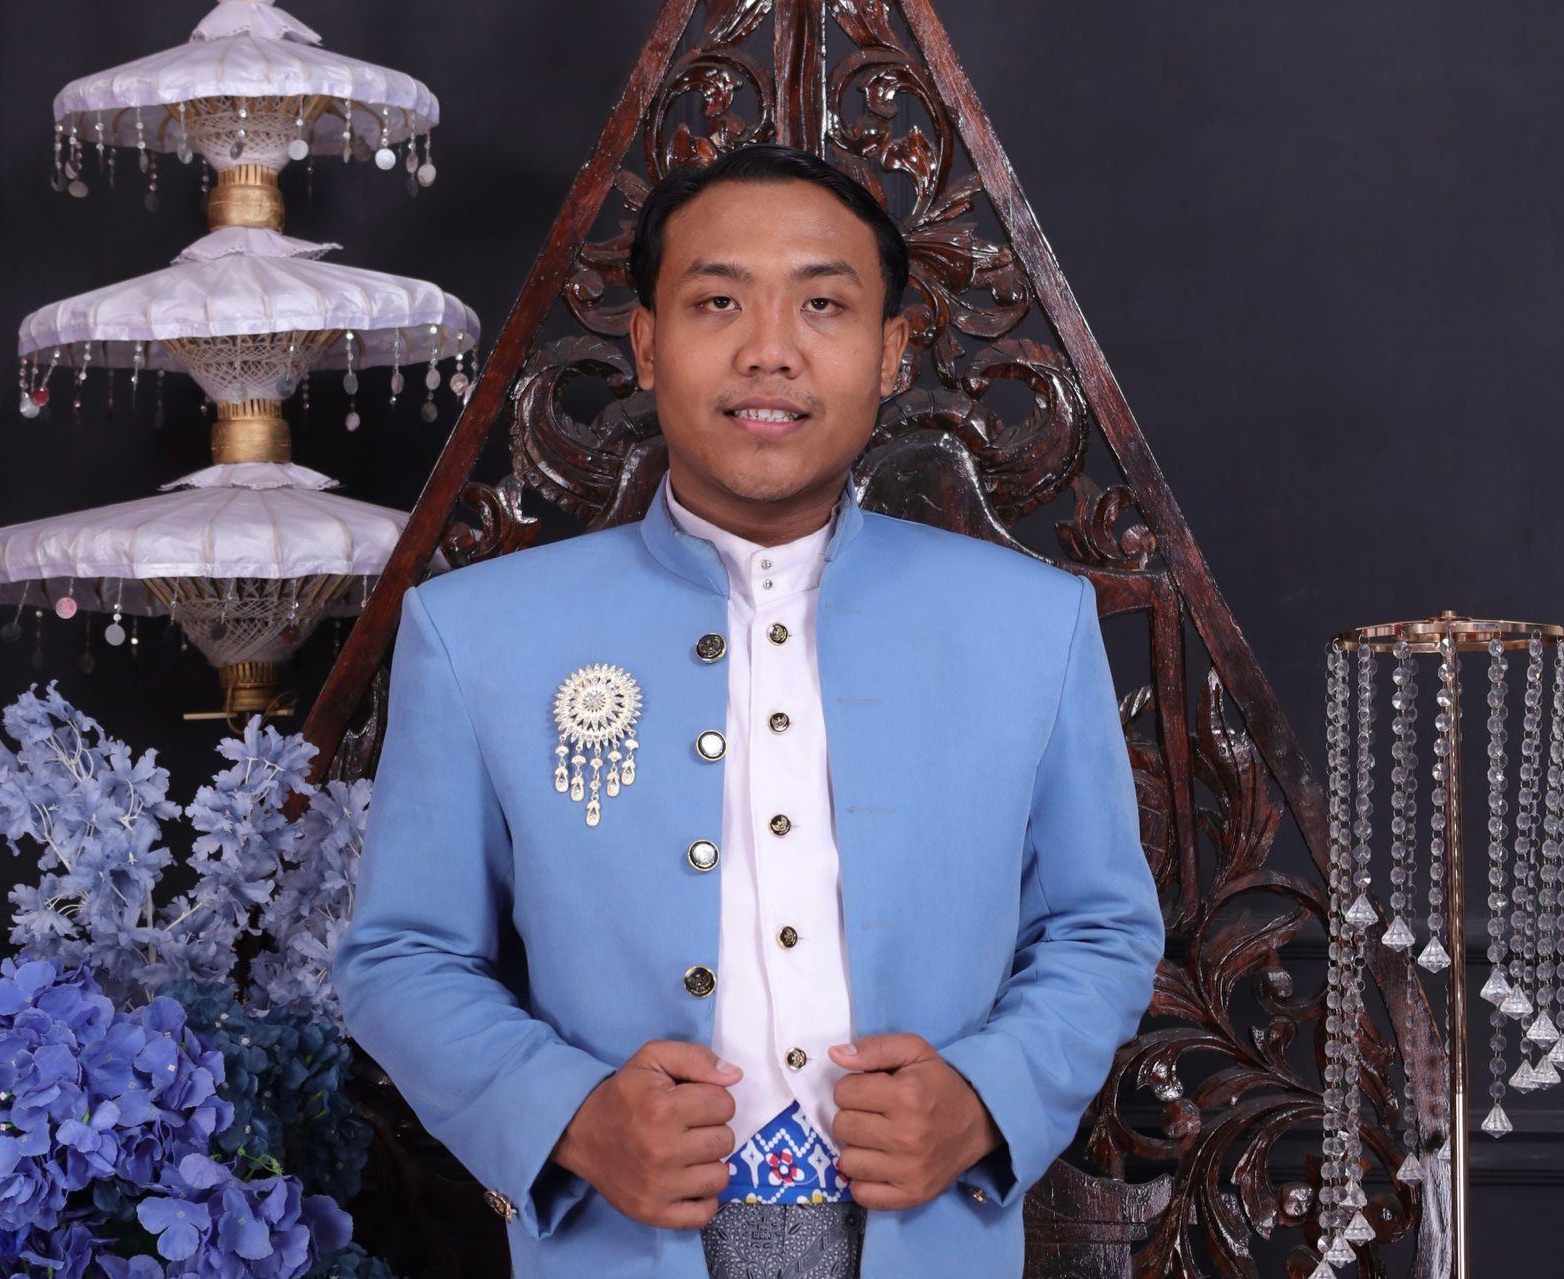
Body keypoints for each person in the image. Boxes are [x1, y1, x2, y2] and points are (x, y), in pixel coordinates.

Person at [331, 141, 1165, 1279]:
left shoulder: (1033, 622)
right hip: (621, 1244)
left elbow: (1101, 924)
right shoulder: (476, 632)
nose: (769, 349)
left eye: (823, 304)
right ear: (646, 343)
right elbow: (402, 953)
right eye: (717, 301)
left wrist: (984, 1098)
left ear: (892, 351)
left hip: (930, 1236)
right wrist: (569, 1116)